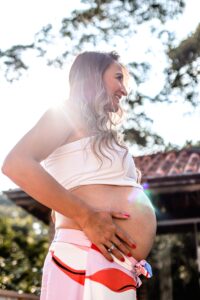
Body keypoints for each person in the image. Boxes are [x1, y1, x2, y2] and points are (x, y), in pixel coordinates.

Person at [2, 51, 157, 300]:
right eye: (118, 78)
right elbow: (15, 164)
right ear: (93, 77)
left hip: (112, 265)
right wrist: (87, 217)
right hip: (82, 259)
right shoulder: (67, 113)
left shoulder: (103, 134)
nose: (123, 90)